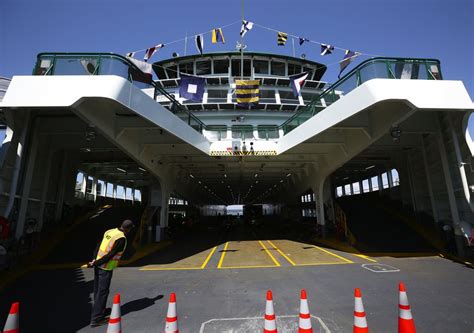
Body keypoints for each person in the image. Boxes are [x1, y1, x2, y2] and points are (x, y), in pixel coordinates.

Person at [88, 219, 135, 327]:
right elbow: (111, 255)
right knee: (102, 292)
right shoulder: (121, 239)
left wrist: (94, 260)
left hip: (98, 265)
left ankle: (100, 310)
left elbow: (98, 245)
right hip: (105, 268)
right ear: (128, 229)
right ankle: (96, 319)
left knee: (98, 291)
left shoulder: (110, 231)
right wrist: (97, 263)